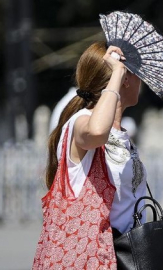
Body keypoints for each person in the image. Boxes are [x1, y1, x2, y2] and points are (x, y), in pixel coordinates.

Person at [33, 42, 147, 268]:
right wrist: (117, 73)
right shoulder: (81, 121)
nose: (141, 81)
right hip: (89, 258)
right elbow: (97, 132)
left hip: (122, 256)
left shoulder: (123, 136)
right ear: (124, 78)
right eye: (137, 74)